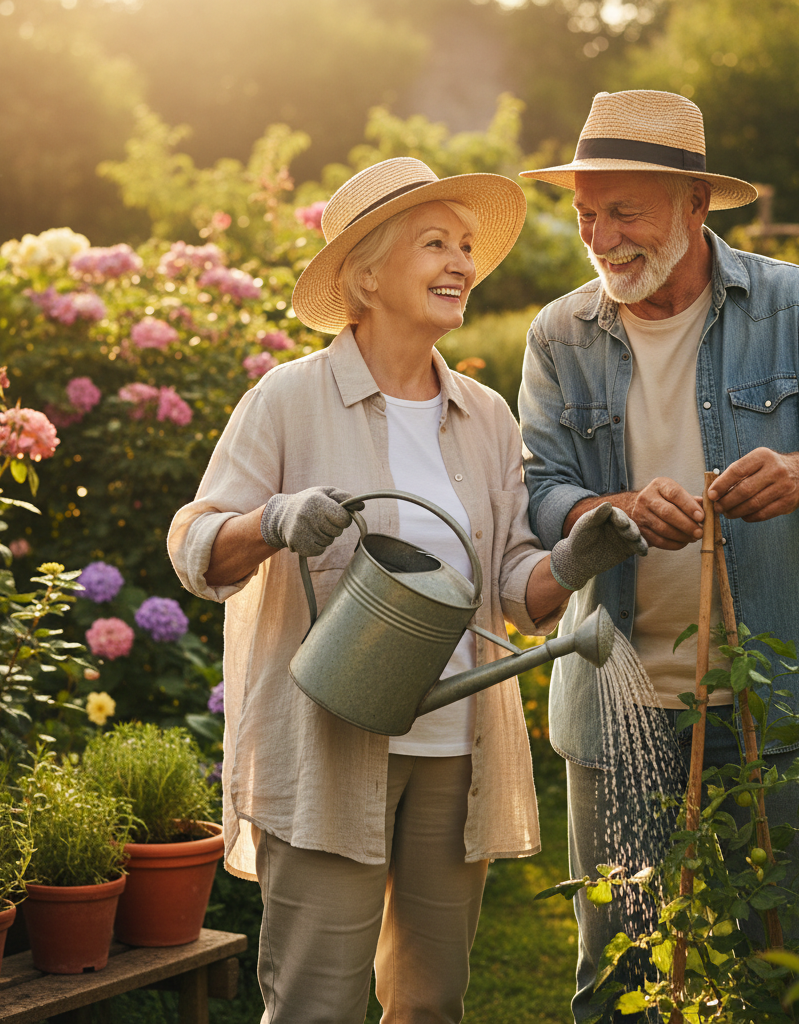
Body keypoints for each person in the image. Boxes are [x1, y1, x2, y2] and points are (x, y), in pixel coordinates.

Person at [168, 156, 646, 1024]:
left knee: (432, 1001)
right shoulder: (290, 400)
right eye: (435, 244)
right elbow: (195, 544)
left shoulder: (485, 414)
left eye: (466, 245)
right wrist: (272, 521)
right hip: (325, 745)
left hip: (451, 751)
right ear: (366, 272)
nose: (462, 262)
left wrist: (575, 559)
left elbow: (508, 584)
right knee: (317, 1001)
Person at [517, 90, 799, 1020]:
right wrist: (615, 510)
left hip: (768, 696)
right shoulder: (559, 334)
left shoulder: (791, 304)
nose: (602, 236)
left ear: (696, 206)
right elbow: (540, 493)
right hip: (617, 701)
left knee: (789, 968)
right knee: (620, 980)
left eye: (626, 211)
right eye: (586, 214)